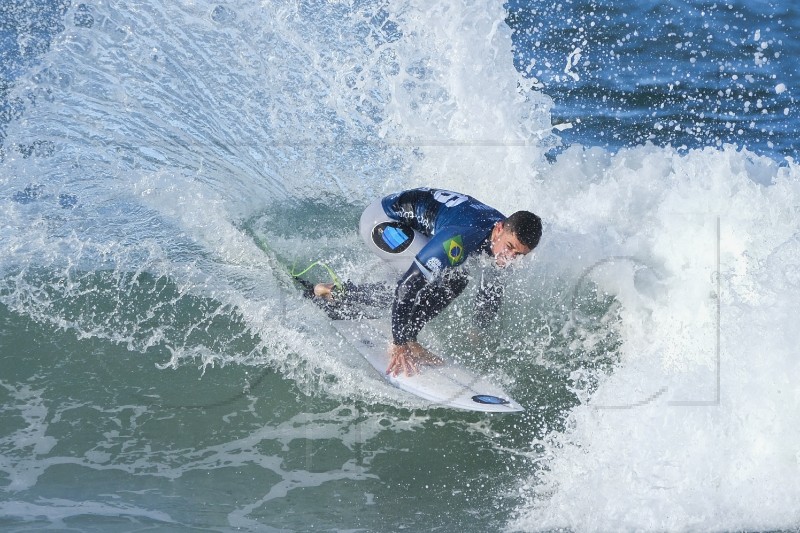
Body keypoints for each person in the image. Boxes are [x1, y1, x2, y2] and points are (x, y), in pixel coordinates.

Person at [313, 187, 542, 377]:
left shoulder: (502, 239)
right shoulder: (463, 236)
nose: (510, 258)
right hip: (382, 222)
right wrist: (399, 342)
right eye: (510, 248)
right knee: (418, 283)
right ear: (499, 229)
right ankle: (336, 292)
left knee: (458, 276)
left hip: (411, 223)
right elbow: (407, 287)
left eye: (520, 254)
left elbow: (492, 285)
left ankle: (409, 335)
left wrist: (478, 329)